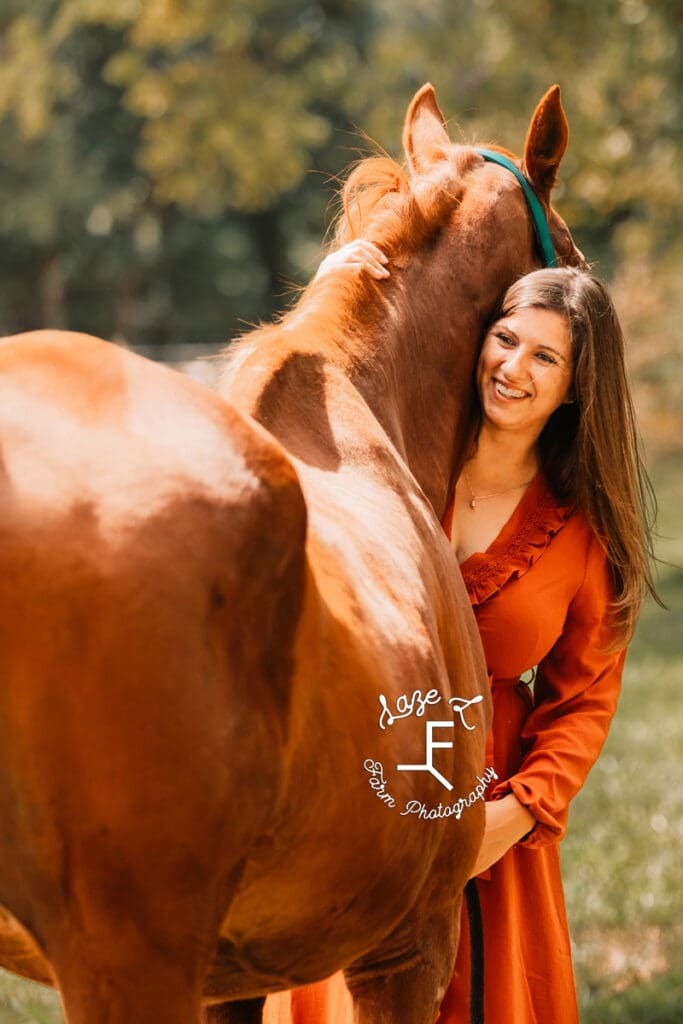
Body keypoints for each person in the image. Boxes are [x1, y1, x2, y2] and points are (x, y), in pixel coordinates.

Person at [263, 245, 658, 1024]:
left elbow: (583, 701)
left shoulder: (581, 536)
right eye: (506, 337)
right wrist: (333, 272)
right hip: (356, 784)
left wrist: (515, 815)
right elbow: (292, 402)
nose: (512, 366)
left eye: (544, 356)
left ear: (577, 387)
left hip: (487, 819)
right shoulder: (398, 463)